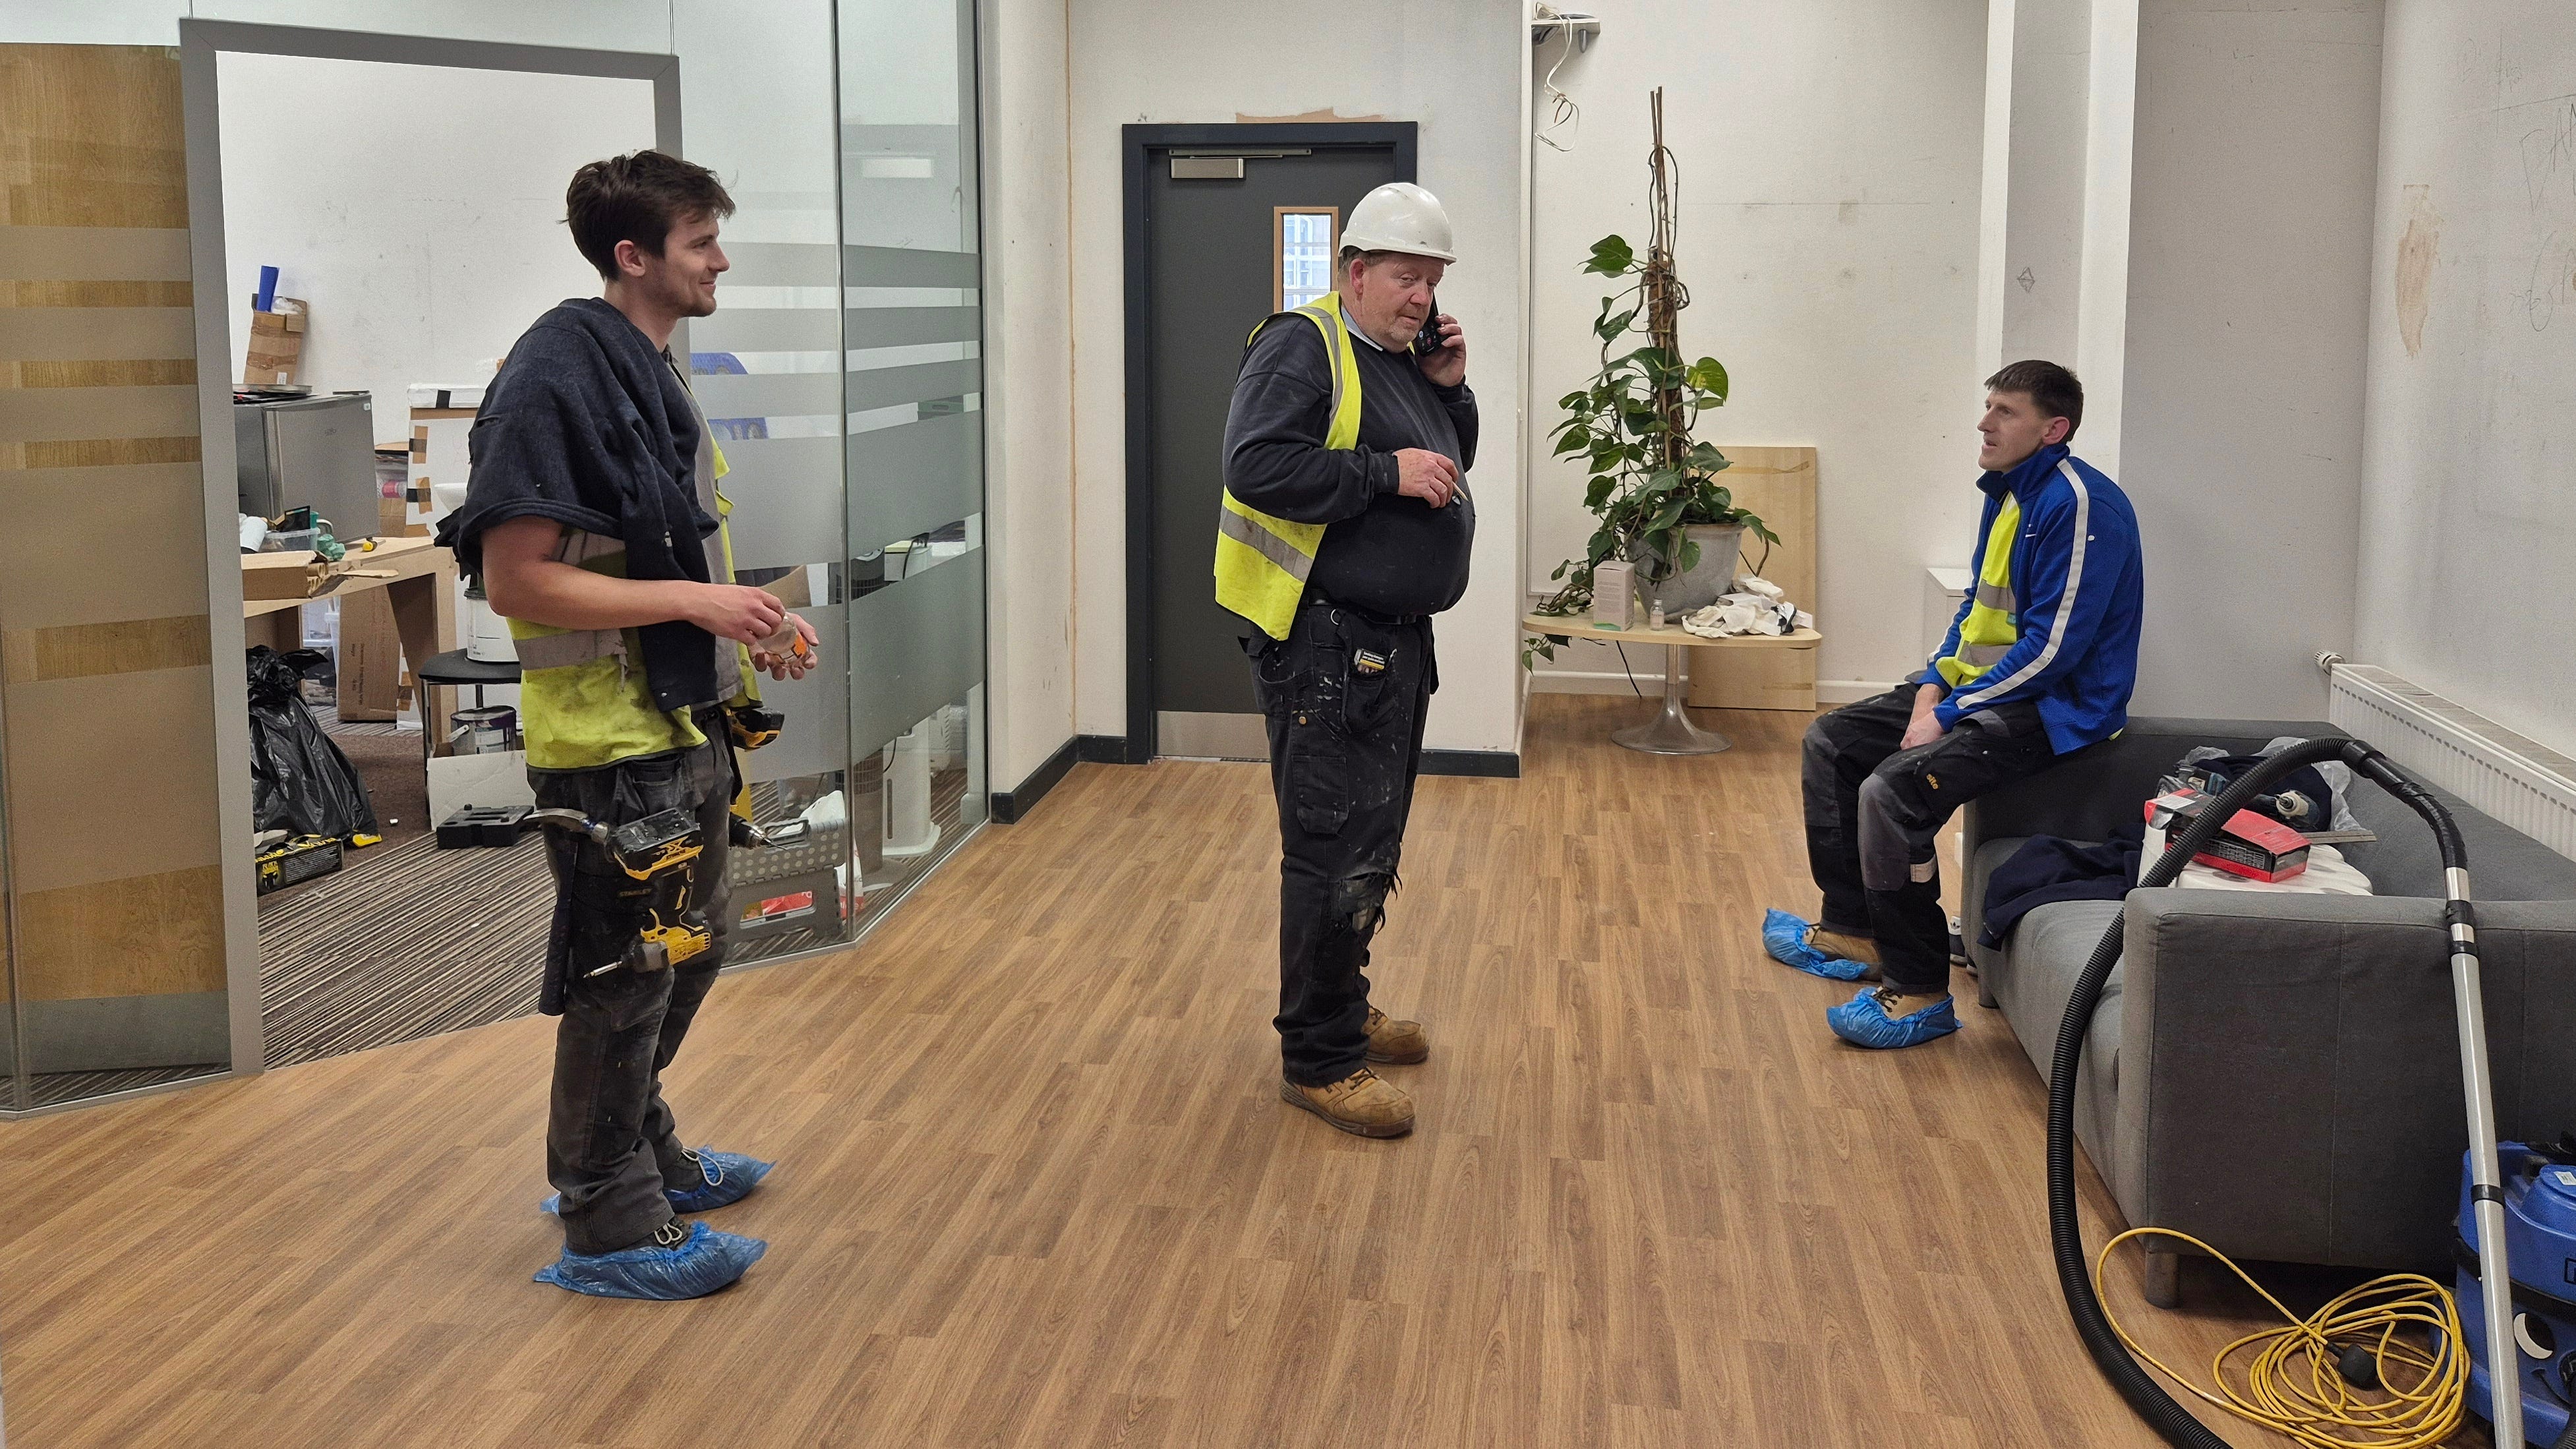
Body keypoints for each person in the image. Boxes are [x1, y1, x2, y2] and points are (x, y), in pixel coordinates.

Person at [436, 151, 819, 1297]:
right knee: (628, 974)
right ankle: (606, 1216)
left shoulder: (641, 369)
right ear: (633, 256)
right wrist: (697, 602)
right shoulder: (555, 378)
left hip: (674, 714)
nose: (721, 260)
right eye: (702, 241)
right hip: (605, 743)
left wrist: (740, 624)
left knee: (686, 959)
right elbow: (517, 579)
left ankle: (638, 1152)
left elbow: (660, 549)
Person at [1765, 360, 2144, 1049]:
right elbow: (1975, 608)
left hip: (2055, 708)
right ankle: (1854, 927)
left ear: (2052, 428)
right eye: (1986, 406)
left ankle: (1918, 987)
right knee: (1832, 740)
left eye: (2004, 411)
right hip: (1979, 686)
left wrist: (1943, 712)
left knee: (1893, 792)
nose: (1983, 422)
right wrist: (1935, 684)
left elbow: (2053, 648)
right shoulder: (2006, 493)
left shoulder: (2079, 505)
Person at [1217, 181, 1476, 1138]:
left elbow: (1450, 464)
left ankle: (1344, 1002)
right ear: (1356, 272)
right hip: (1328, 645)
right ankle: (1320, 1058)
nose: (1422, 297)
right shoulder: (1302, 344)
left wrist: (1451, 394)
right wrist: (1384, 472)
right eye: (1407, 278)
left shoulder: (1397, 357)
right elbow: (1257, 464)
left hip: (1390, 645)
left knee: (1371, 845)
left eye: (1433, 281)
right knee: (1332, 850)